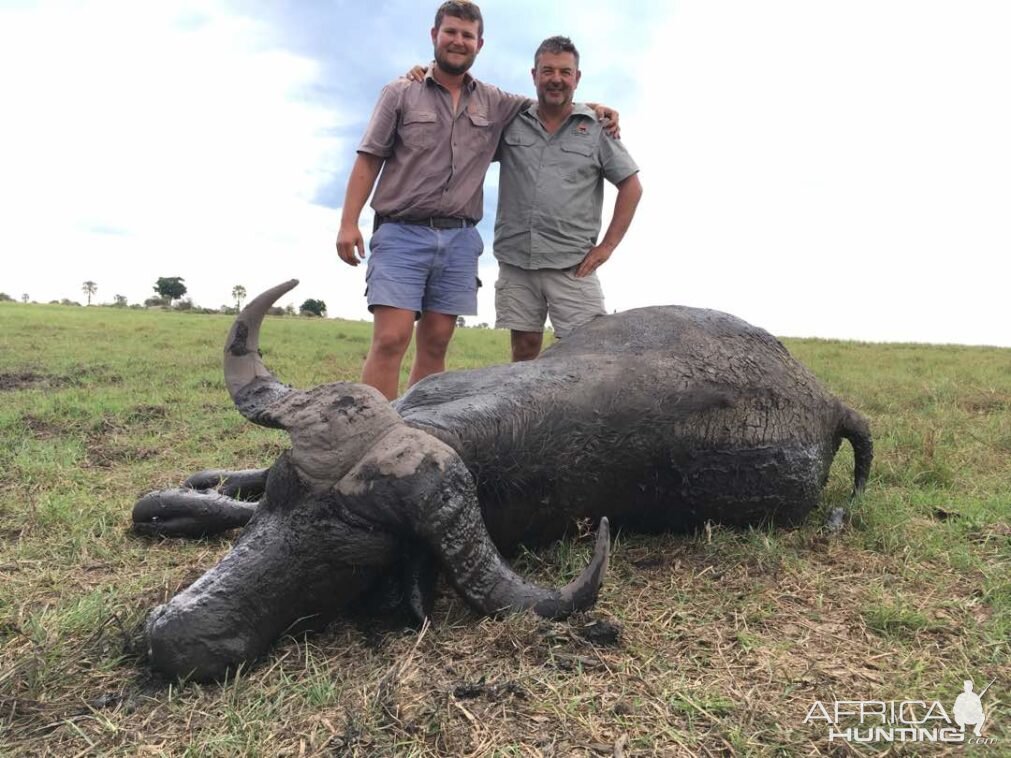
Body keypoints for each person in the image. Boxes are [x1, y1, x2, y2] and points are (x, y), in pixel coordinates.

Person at [338, 2, 618, 400]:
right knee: (391, 338)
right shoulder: (400, 92)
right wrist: (349, 222)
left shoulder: (496, 102)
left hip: (459, 240)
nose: (458, 41)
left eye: (467, 35)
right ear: (434, 35)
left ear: (479, 44)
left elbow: (553, 101)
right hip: (402, 232)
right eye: (450, 32)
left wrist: (596, 108)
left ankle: (418, 431)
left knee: (436, 343)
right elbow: (369, 157)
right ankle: (370, 435)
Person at [493, 36, 642, 361]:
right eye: (547, 71)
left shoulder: (597, 128)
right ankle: (528, 413)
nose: (556, 79)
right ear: (534, 75)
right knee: (523, 352)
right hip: (517, 259)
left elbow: (631, 186)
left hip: (574, 265)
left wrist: (607, 247)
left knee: (589, 355)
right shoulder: (511, 122)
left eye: (564, 71)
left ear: (576, 77)